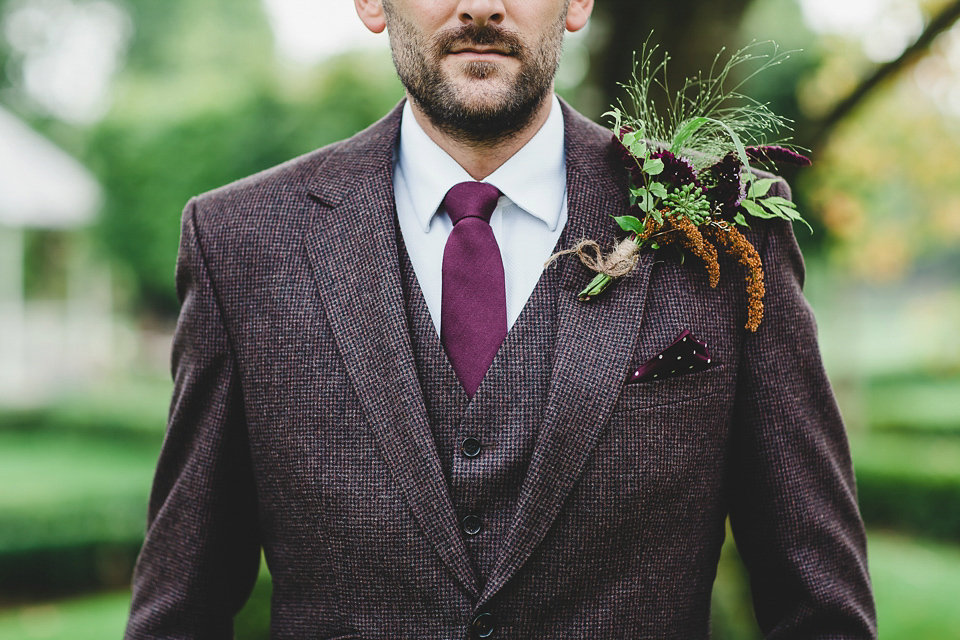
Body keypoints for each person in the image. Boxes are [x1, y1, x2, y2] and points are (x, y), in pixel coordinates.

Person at [124, 1, 877, 638]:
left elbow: (819, 603)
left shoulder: (727, 231)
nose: (481, 6)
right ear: (370, 2)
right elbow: (180, 609)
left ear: (578, 1)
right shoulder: (242, 242)